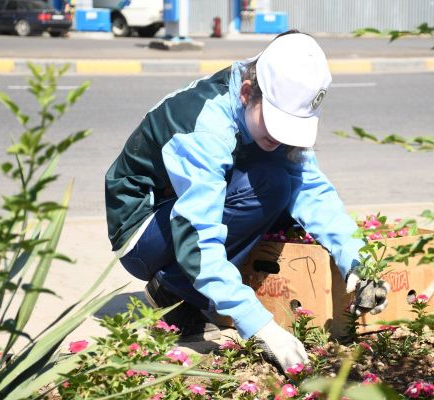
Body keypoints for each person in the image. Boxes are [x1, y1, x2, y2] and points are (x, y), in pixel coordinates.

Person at [104, 31, 389, 372]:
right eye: (276, 124)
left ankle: (193, 288)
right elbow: (198, 235)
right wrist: (262, 327)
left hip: (180, 214)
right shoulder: (205, 129)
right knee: (269, 186)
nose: (283, 136)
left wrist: (358, 267)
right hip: (141, 231)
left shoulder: (266, 98)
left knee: (285, 186)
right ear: (246, 93)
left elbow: (312, 190)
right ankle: (172, 287)